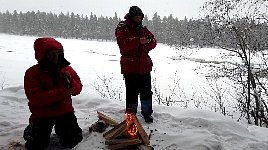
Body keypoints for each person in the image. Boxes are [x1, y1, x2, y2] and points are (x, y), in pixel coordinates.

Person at [23, 37, 83, 149]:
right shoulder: (32, 73)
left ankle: (61, 129)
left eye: (58, 53)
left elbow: (78, 88)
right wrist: (62, 92)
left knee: (74, 139)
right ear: (43, 55)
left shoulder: (66, 69)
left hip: (64, 112)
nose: (56, 57)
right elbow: (35, 97)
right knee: (36, 145)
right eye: (52, 54)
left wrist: (71, 84)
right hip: (42, 114)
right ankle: (31, 130)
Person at [115, 6, 157, 123]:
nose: (139, 19)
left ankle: (147, 113)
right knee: (131, 92)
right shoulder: (122, 28)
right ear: (131, 17)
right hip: (130, 67)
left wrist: (148, 42)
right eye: (136, 17)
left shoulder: (143, 29)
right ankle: (130, 115)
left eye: (140, 17)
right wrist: (138, 41)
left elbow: (153, 41)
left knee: (146, 92)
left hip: (144, 66)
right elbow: (122, 44)